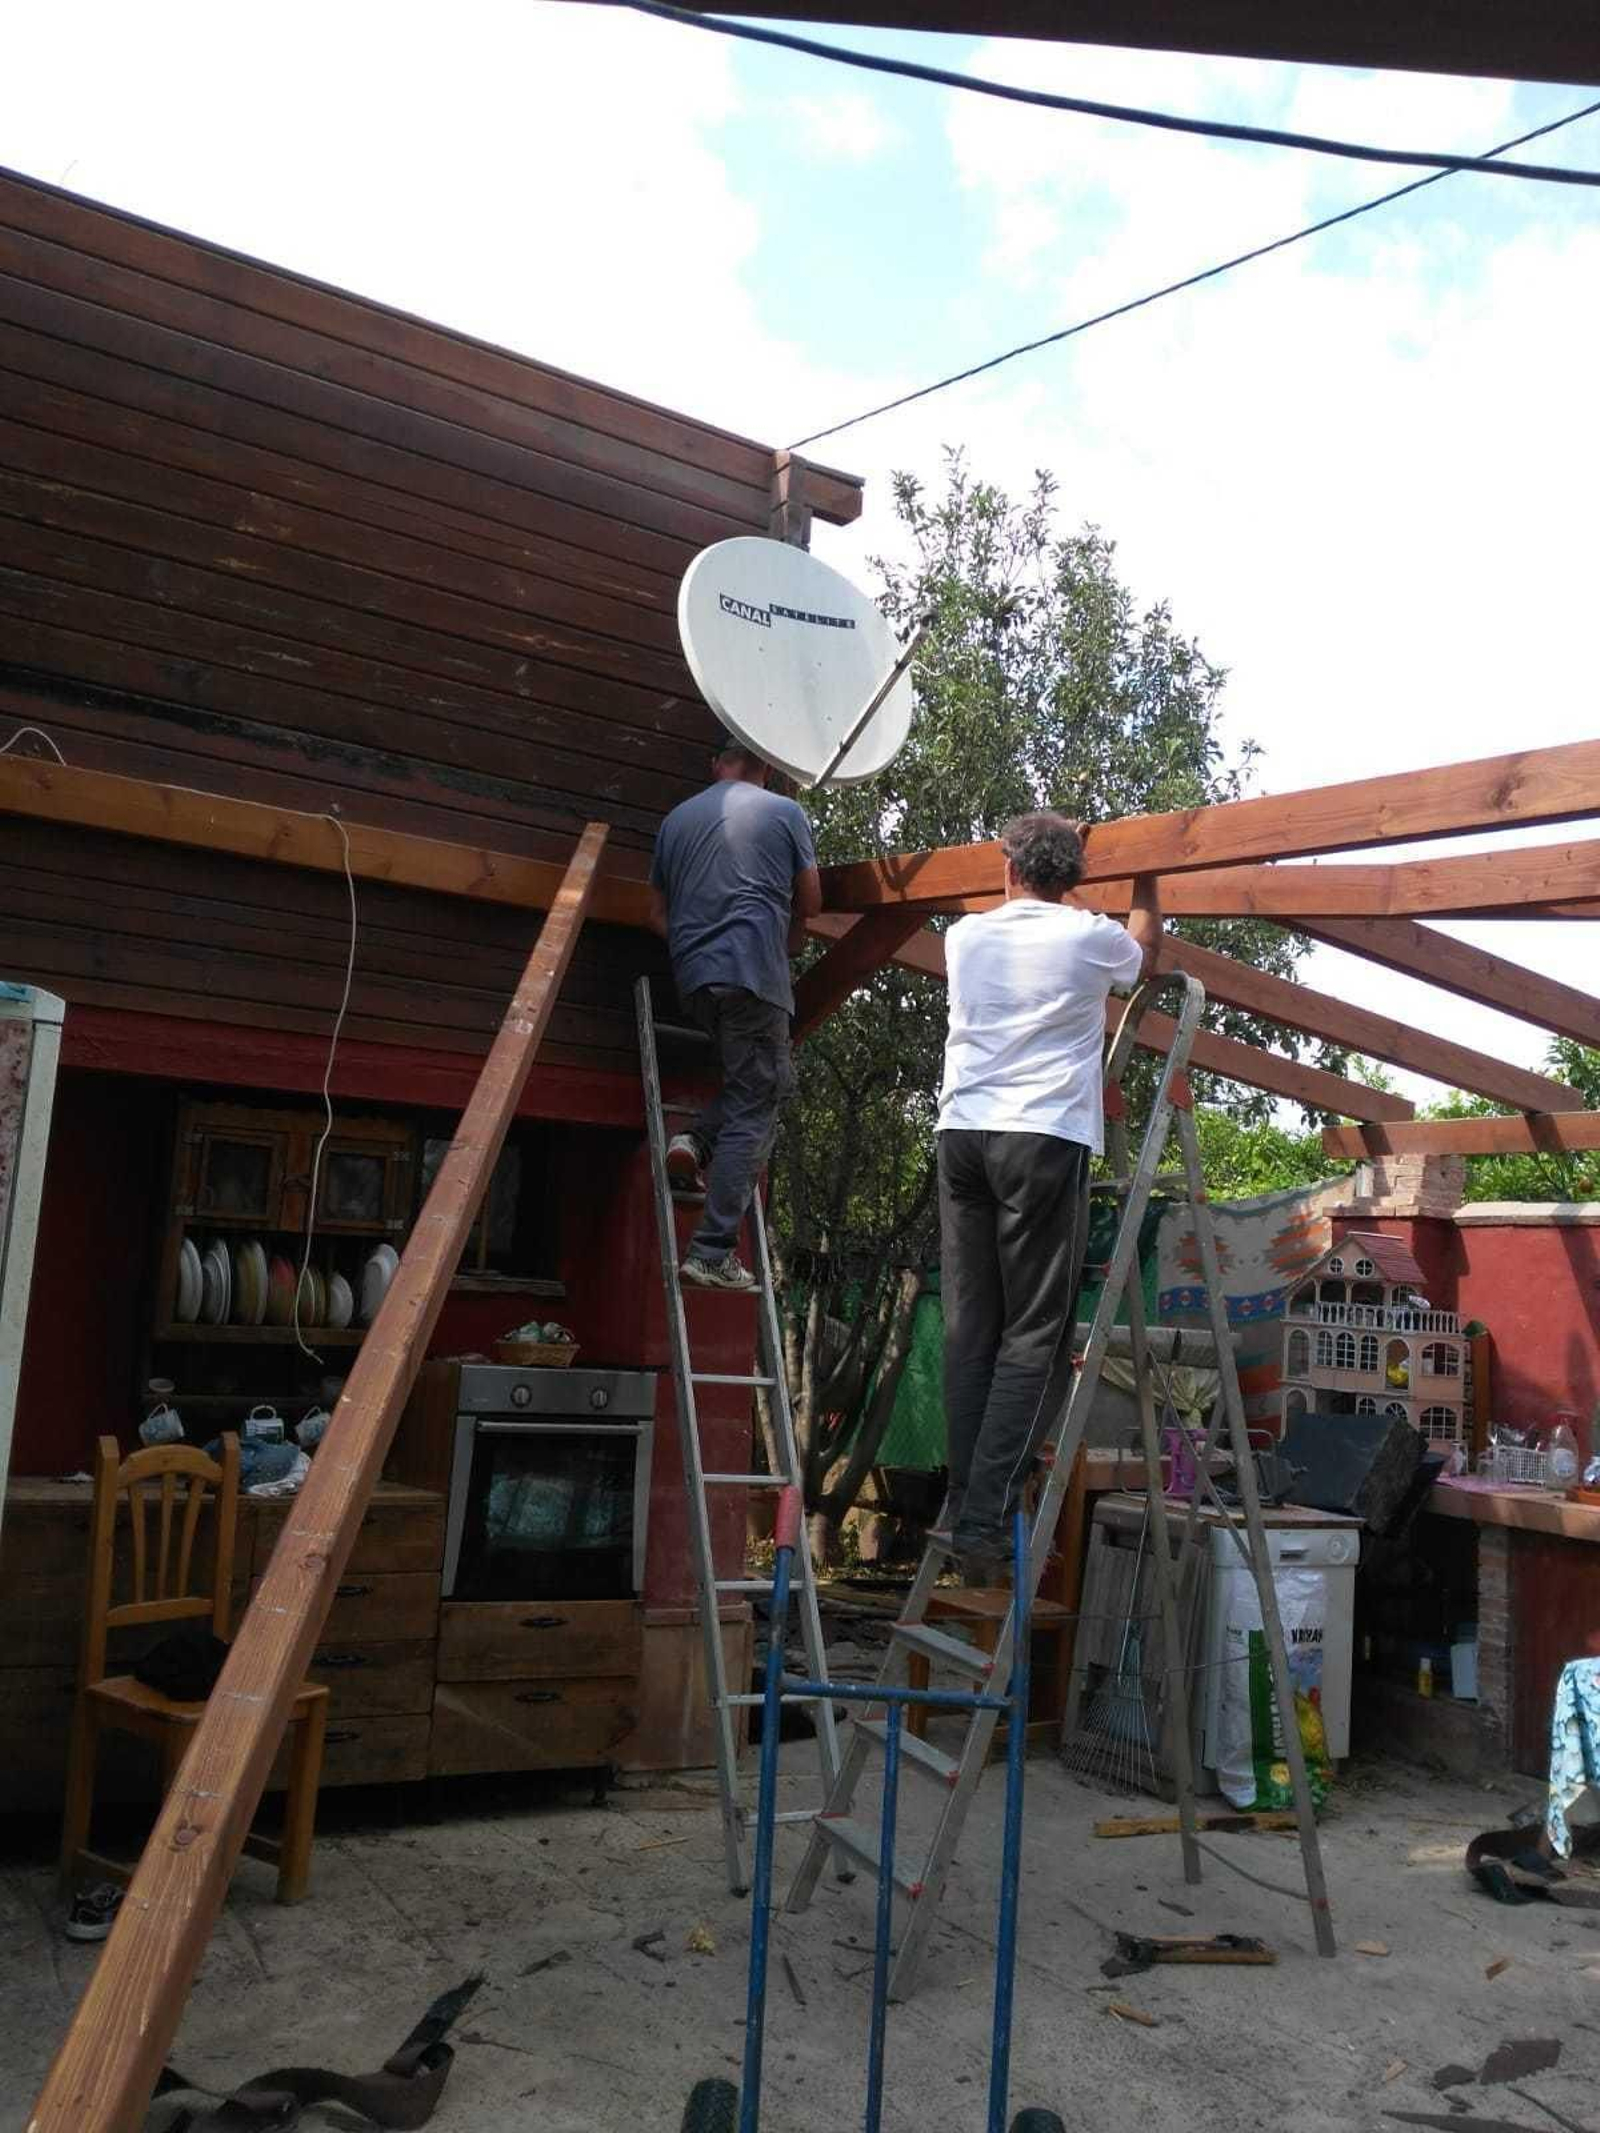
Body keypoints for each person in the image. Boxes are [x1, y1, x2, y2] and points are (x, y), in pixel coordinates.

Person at [934, 811, 1161, 1582]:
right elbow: (1144, 958)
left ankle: (968, 1493)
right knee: (1034, 1332)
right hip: (1040, 1138)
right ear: (1074, 879)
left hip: (962, 1133)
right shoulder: (1087, 935)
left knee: (972, 1327)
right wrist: (1152, 881)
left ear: (1008, 869)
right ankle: (982, 1520)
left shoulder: (964, 938)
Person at [648, 731, 821, 1290]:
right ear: (767, 767)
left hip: (694, 982)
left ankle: (693, 1142)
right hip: (752, 974)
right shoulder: (784, 812)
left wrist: (696, 948)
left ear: (716, 763)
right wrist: (787, 936)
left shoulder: (675, 821)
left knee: (759, 1085)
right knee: (759, 1104)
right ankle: (712, 1250)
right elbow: (812, 900)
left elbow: (657, 913)